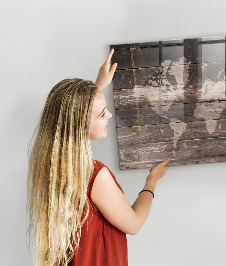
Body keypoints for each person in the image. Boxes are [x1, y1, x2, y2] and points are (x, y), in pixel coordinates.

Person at [27, 49, 171, 266]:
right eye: (102, 113)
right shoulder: (95, 176)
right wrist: (151, 181)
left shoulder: (49, 164)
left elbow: (73, 113)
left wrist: (97, 86)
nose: (109, 115)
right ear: (81, 124)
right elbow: (134, 224)